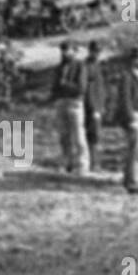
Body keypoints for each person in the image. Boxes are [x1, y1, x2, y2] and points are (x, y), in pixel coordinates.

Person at [114, 46, 138, 194]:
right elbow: (125, 99)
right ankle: (133, 181)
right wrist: (130, 118)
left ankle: (130, 178)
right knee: (135, 149)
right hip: (134, 115)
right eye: (137, 59)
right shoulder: (127, 76)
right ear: (132, 61)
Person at [51, 39, 89, 175]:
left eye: (68, 50)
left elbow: (81, 87)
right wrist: (60, 90)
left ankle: (82, 164)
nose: (65, 53)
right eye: (63, 50)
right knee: (64, 135)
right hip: (61, 102)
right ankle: (67, 162)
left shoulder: (80, 66)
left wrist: (65, 85)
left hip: (75, 102)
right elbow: (54, 87)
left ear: (74, 51)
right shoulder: (59, 68)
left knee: (78, 135)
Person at [83, 39, 106, 171]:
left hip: (98, 105)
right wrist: (94, 108)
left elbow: (100, 88)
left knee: (96, 135)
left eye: (98, 51)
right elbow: (89, 89)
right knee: (93, 135)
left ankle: (95, 162)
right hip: (91, 106)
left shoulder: (97, 65)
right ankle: (93, 163)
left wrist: (102, 105)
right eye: (95, 51)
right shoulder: (87, 66)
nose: (97, 54)